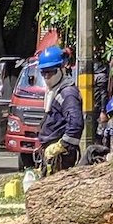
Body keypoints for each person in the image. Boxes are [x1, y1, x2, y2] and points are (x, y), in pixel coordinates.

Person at [34, 44, 83, 173]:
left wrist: (62, 146)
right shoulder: (56, 91)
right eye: (43, 73)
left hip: (61, 157)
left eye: (50, 72)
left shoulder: (68, 94)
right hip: (51, 155)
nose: (46, 77)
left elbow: (76, 124)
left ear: (62, 69)